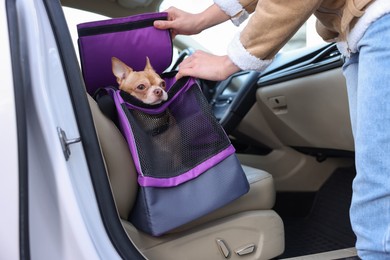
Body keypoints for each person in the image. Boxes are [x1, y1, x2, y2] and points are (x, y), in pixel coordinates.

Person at [154, 0, 390, 259]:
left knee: (377, 178)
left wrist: (228, 62)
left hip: (380, 25)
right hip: (361, 34)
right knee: (377, 174)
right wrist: (200, 20)